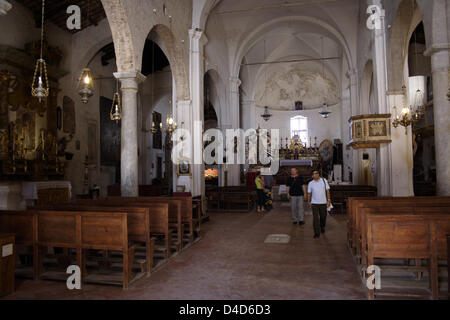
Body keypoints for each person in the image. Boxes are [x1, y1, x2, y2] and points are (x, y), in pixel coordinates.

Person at [307, 170, 331, 238]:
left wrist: (329, 200)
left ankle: (322, 226)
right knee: (315, 218)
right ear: (312, 176)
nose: (316, 174)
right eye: (314, 174)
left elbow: (327, 191)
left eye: (317, 173)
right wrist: (309, 201)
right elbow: (309, 193)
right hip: (314, 203)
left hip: (323, 202)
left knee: (323, 217)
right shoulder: (310, 183)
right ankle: (316, 233)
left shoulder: (324, 181)